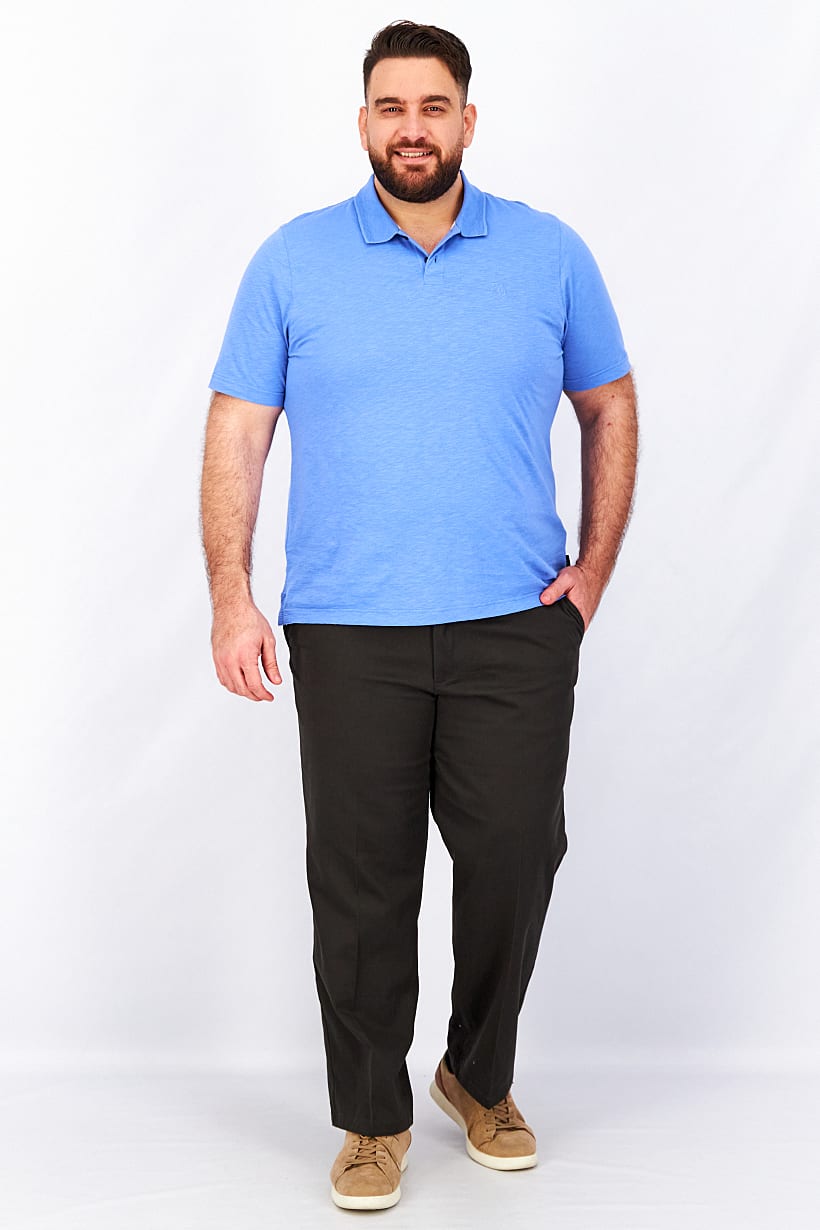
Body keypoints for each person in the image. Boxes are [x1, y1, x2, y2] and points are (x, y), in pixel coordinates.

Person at [199, 18, 638, 1213]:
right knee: (361, 884)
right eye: (390, 107)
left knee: (515, 856)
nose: (411, 127)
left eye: (432, 106)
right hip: (347, 627)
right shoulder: (293, 261)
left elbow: (607, 402)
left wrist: (593, 572)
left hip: (514, 622)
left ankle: (475, 1076)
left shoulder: (547, 253)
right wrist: (233, 596)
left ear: (466, 120)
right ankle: (370, 1119)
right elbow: (239, 430)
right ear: (363, 122)